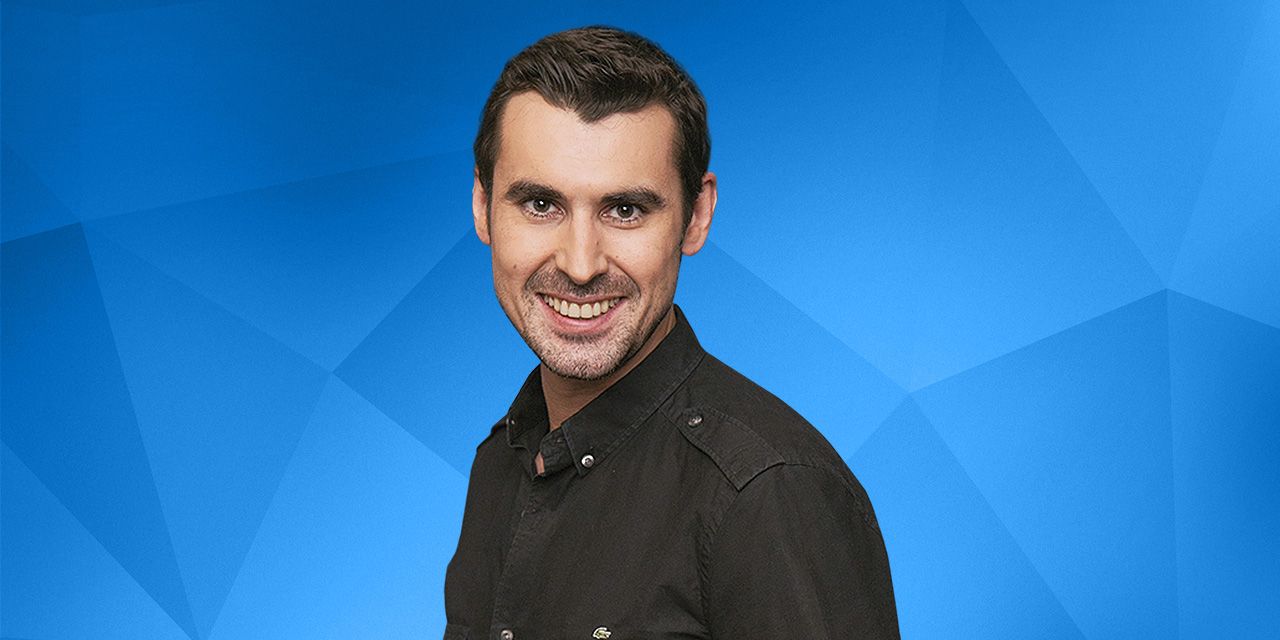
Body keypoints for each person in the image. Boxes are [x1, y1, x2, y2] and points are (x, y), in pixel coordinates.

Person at [444, 25, 899, 639]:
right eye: (541, 205)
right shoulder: (500, 463)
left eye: (625, 210)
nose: (580, 264)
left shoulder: (768, 493)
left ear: (696, 215)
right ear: (482, 206)